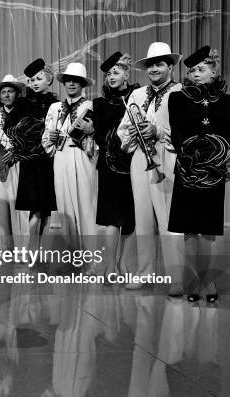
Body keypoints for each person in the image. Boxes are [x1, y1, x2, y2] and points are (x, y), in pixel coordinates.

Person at [117, 42, 183, 292]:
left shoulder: (180, 92)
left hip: (167, 156)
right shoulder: (136, 95)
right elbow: (123, 128)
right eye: (150, 65)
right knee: (142, 218)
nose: (154, 69)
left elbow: (185, 130)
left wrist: (157, 130)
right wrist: (132, 134)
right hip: (140, 158)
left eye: (159, 64)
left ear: (170, 66)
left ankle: (176, 278)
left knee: (169, 220)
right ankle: (145, 272)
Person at [168, 46, 230, 303]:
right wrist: (193, 157)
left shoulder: (227, 102)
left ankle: (209, 280)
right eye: (192, 70)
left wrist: (216, 159)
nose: (195, 75)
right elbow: (177, 132)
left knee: (207, 228)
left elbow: (228, 134)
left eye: (201, 70)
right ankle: (193, 279)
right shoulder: (178, 98)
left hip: (213, 171)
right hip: (188, 168)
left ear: (214, 71)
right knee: (188, 228)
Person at [41, 63, 97, 259]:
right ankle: (72, 257)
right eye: (68, 80)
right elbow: (46, 136)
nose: (71, 83)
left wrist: (91, 134)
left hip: (82, 156)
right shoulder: (55, 107)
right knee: (64, 208)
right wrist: (52, 139)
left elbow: (96, 139)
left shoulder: (90, 106)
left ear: (82, 84)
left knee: (85, 206)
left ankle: (90, 259)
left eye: (76, 80)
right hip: (61, 156)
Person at [91, 52, 138, 280]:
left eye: (116, 72)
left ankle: (123, 263)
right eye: (108, 73)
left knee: (129, 217)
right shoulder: (99, 103)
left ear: (126, 75)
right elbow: (99, 135)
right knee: (111, 217)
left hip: (131, 164)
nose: (111, 76)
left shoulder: (137, 97)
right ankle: (109, 264)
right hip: (109, 164)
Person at [14, 59, 58, 257]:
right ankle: (32, 249)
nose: (34, 83)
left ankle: (45, 251)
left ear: (49, 80)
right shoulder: (22, 103)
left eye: (39, 78)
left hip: (49, 159)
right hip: (31, 159)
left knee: (47, 206)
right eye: (31, 80)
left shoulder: (56, 103)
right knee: (34, 206)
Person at [0, 74, 28, 250]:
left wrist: (14, 152)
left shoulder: (23, 113)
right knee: (1, 204)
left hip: (17, 164)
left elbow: (28, 141)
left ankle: (22, 249)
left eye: (10, 91)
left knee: (18, 208)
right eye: (3, 92)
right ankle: (6, 248)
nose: (6, 95)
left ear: (17, 94)